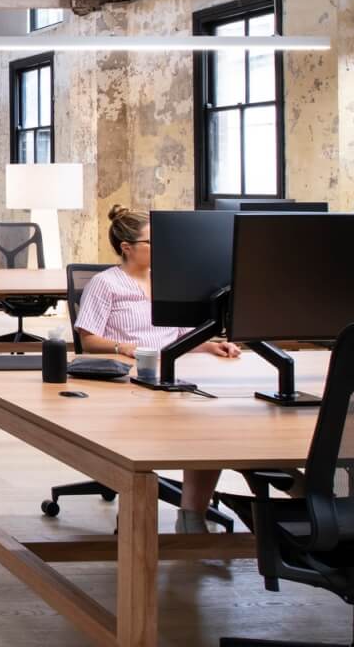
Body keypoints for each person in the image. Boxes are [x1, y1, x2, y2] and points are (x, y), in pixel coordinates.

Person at [75, 204, 241, 534]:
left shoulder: (168, 281)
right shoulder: (106, 284)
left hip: (172, 374)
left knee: (213, 426)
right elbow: (88, 340)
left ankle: (192, 515)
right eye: (154, 242)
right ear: (128, 248)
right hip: (128, 382)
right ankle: (137, 520)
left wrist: (210, 345)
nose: (164, 250)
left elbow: (179, 335)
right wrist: (125, 347)